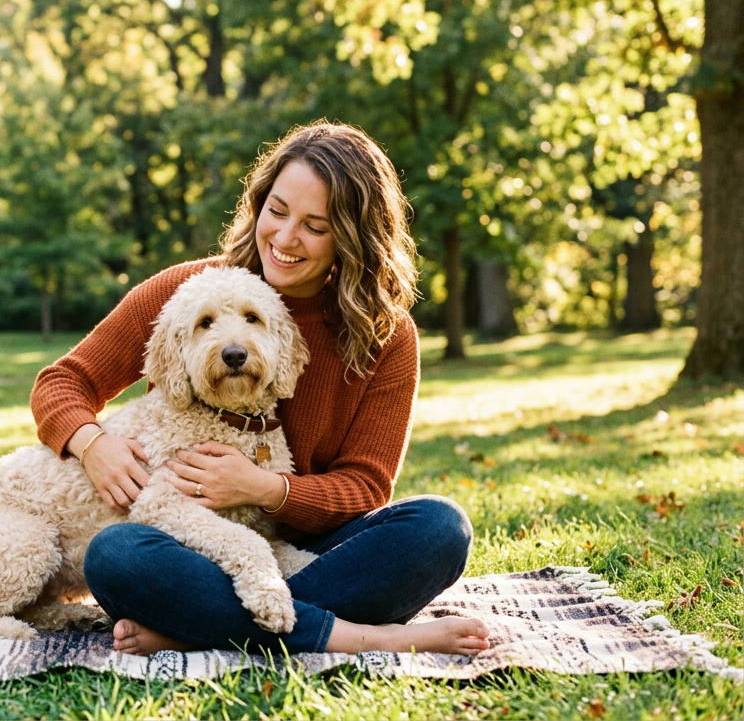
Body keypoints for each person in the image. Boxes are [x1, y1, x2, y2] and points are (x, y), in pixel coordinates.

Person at [30, 122, 488, 658]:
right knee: (116, 552)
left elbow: (366, 488)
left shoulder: (384, 335)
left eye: (315, 226)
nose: (286, 238)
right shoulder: (189, 293)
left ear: (352, 237)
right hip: (186, 543)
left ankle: (194, 626)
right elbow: (62, 382)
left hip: (305, 546)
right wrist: (93, 445)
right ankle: (359, 636)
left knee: (439, 528)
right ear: (258, 204)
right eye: (278, 210)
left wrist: (263, 488)